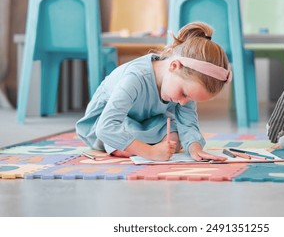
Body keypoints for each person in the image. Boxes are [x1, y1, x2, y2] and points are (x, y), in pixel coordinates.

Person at [76, 22, 231, 162]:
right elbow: (105, 127)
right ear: (174, 66)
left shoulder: (183, 83)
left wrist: (195, 148)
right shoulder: (135, 78)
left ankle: (139, 145)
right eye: (184, 94)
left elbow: (188, 122)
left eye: (190, 98)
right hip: (104, 123)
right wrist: (149, 152)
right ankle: (138, 146)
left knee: (174, 139)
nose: (184, 102)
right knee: (121, 133)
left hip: (147, 121)